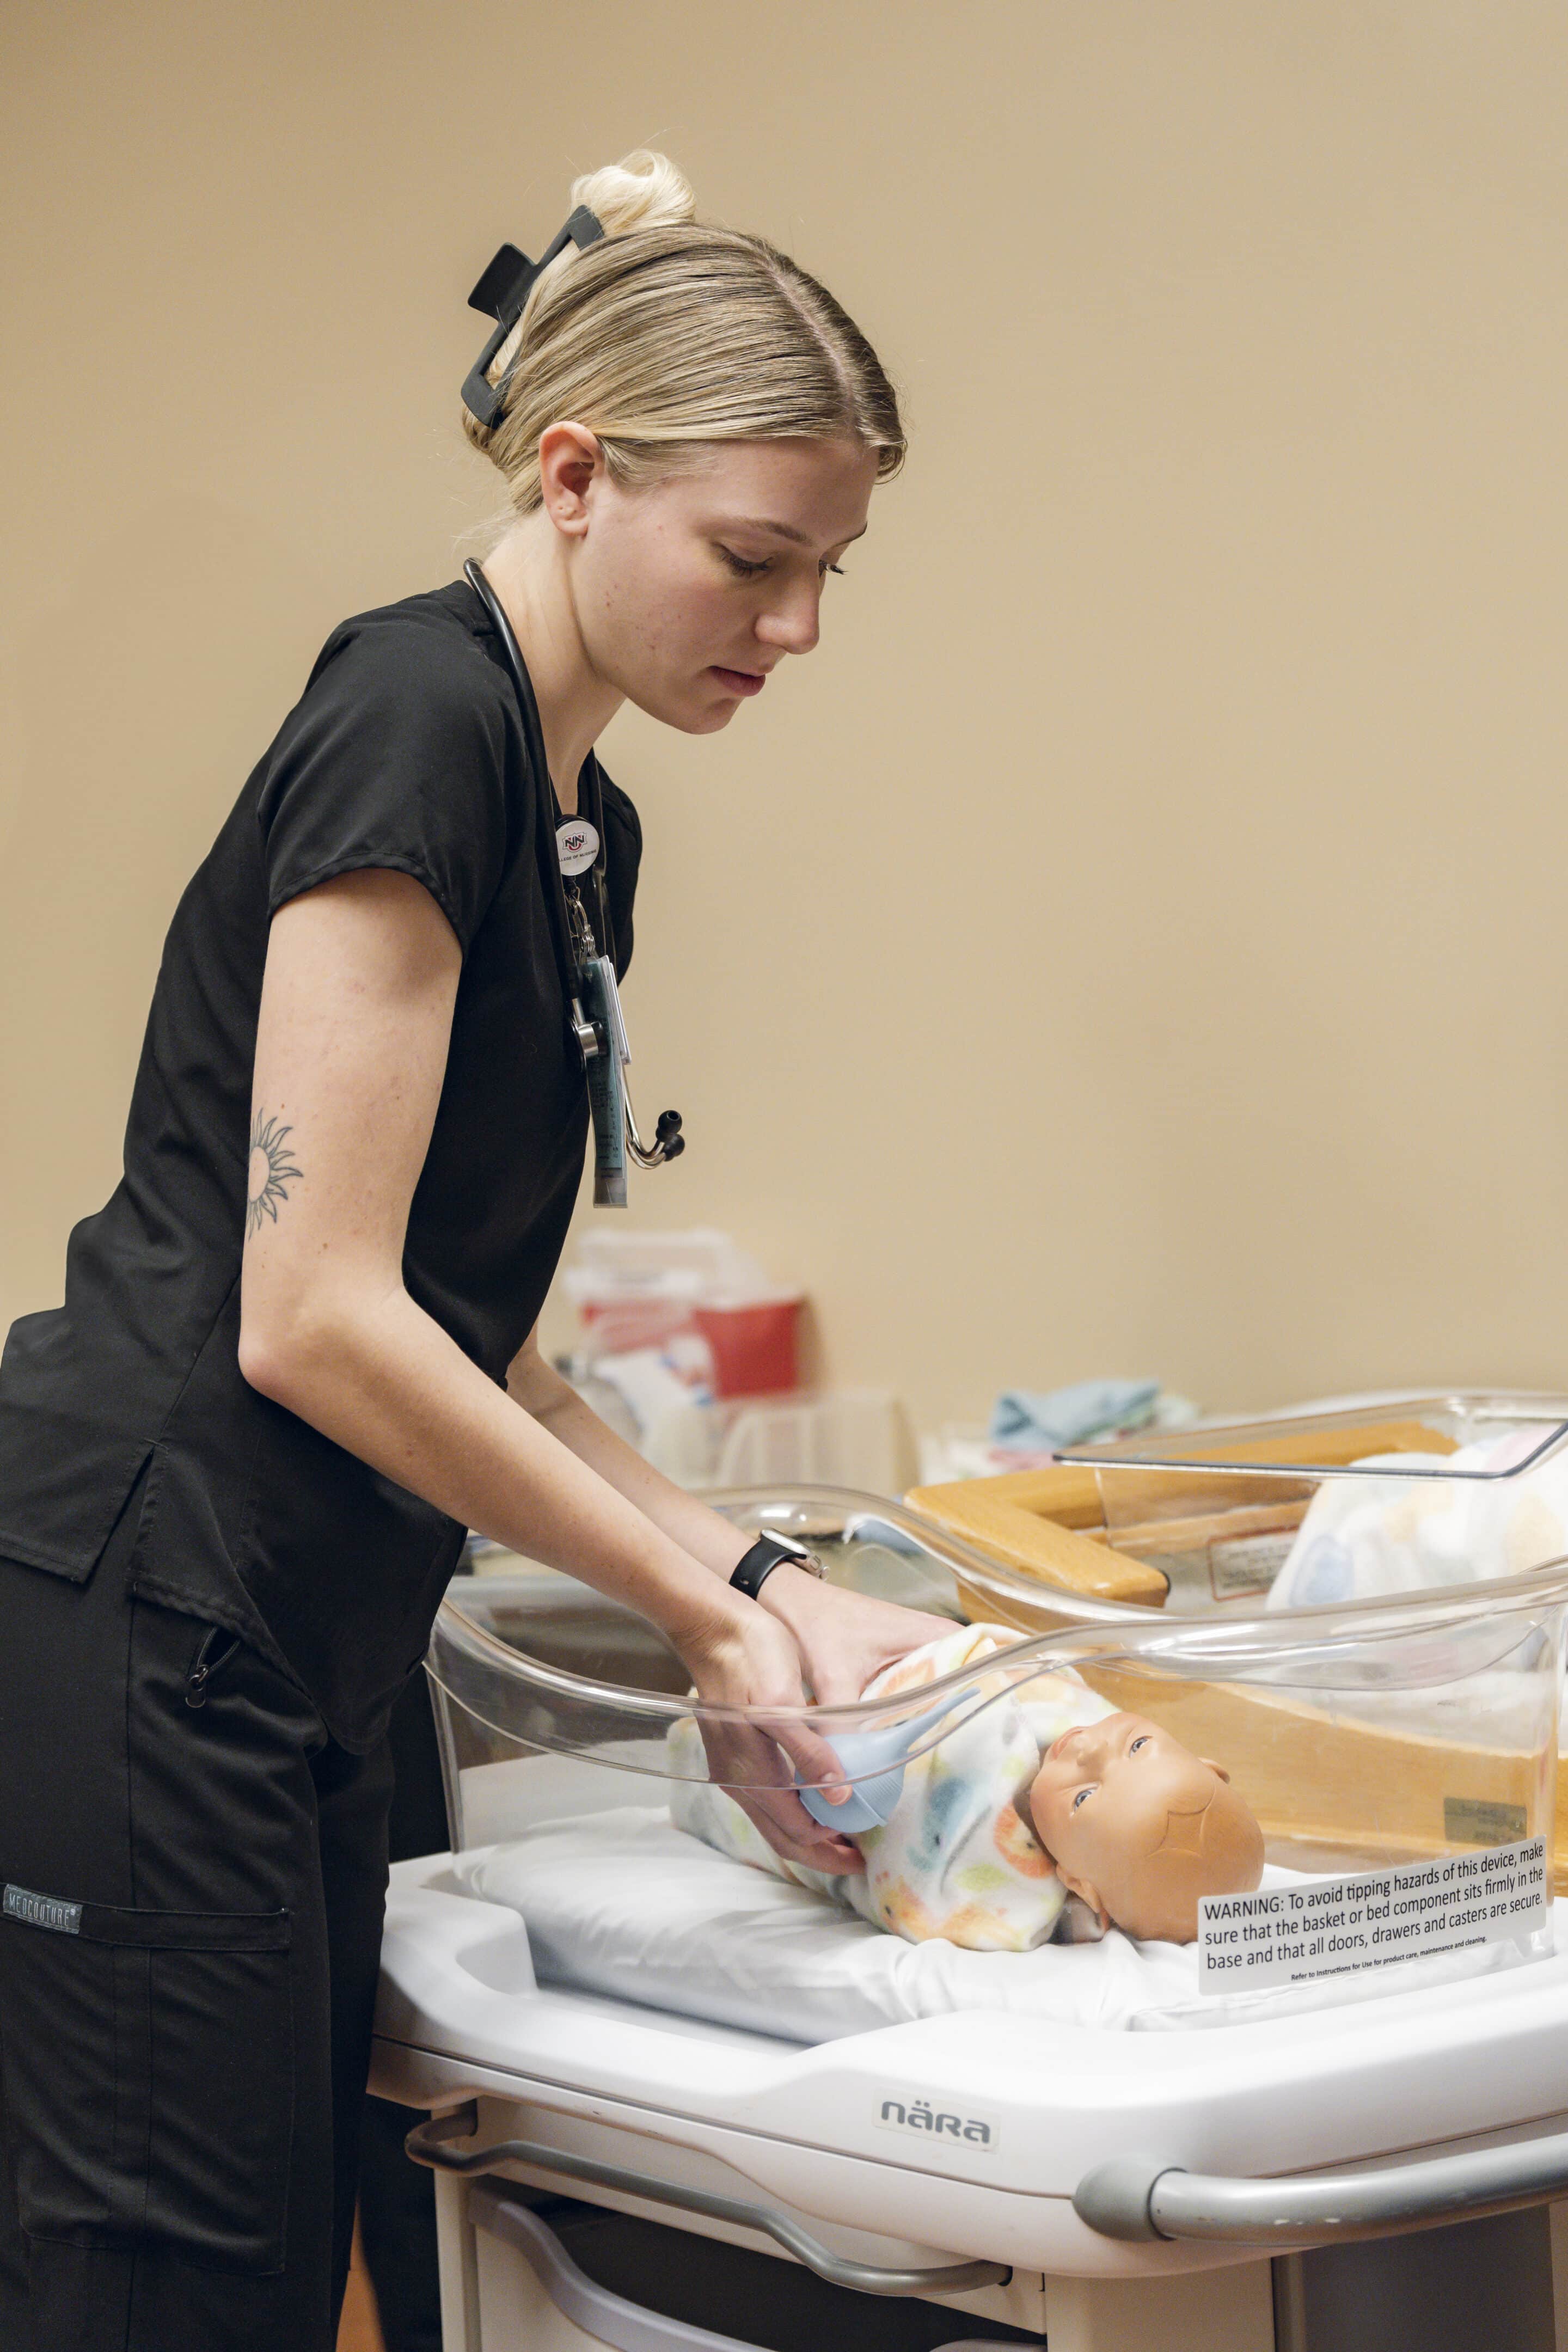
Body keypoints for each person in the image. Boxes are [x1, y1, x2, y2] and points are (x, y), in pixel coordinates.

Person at [0, 150, 954, 2351]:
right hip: (159, 1612)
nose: (793, 626)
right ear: (576, 470)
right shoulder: (414, 720)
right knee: (178, 2302)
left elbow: (477, 1356)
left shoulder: (573, 814)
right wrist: (703, 1618)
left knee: (372, 2257)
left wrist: (775, 1580)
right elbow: (314, 1317)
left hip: (303, 1630)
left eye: (830, 570)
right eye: (752, 559)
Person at [672, 1622, 1265, 1948]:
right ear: (1211, 1764)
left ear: (1079, 1886)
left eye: (1084, 1798)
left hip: (768, 1764)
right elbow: (1022, 1674)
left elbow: (921, 1897)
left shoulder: (1000, 1896)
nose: (1087, 1747)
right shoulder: (1072, 1719)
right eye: (1137, 1746)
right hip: (822, 1677)